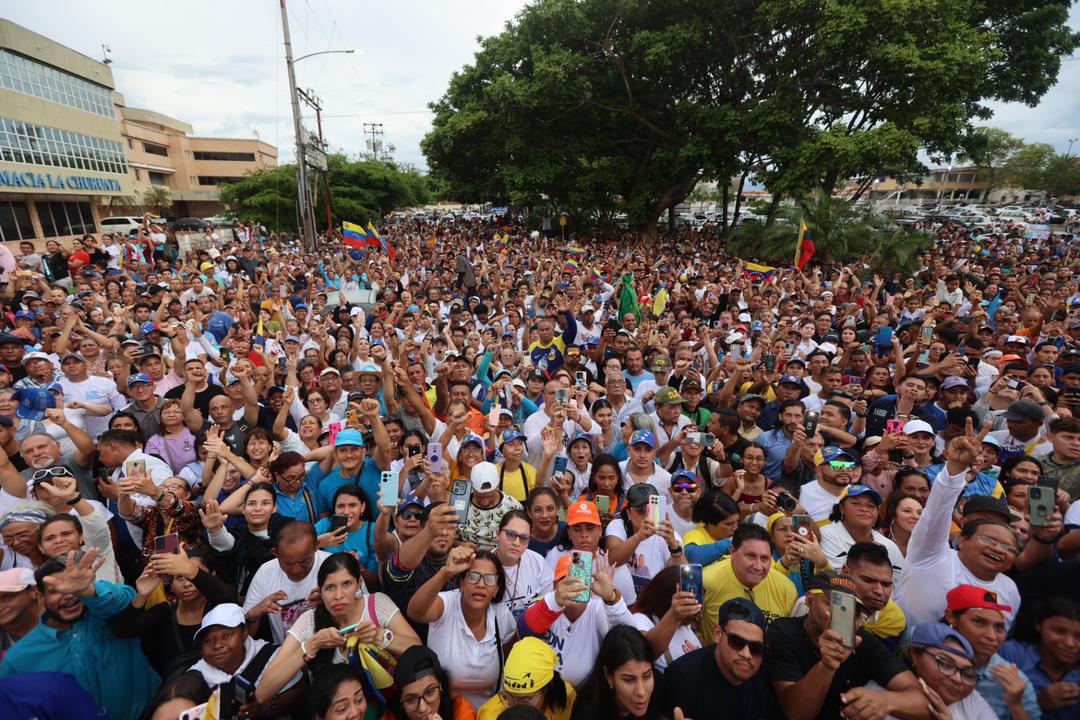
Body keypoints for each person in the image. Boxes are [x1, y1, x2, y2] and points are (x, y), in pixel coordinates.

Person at [0, 550, 160, 720]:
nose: (68, 595)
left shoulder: (107, 615)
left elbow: (126, 598)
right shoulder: (19, 658)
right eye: (55, 591)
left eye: (74, 587)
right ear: (40, 597)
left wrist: (88, 591)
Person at [895, 420, 1022, 629]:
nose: (998, 549)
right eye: (989, 539)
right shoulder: (932, 555)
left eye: (1009, 547)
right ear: (962, 539)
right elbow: (936, 513)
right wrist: (956, 468)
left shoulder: (1009, 590)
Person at [255, 552, 420, 705]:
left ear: (359, 584)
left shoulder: (376, 604)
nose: (338, 595)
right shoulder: (309, 621)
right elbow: (263, 692)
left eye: (347, 584)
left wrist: (380, 637)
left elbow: (419, 650)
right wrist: (312, 645)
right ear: (320, 592)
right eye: (330, 587)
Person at [766, 572, 929, 720]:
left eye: (852, 611)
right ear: (809, 599)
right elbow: (797, 714)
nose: (842, 617)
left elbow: (923, 702)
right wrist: (826, 666)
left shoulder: (863, 641)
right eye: (833, 604)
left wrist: (885, 701)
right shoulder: (783, 632)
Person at [406, 546, 517, 708]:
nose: (481, 584)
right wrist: (446, 572)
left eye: (489, 579)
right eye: (473, 577)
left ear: (496, 589)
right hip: (445, 713)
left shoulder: (500, 614)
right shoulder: (446, 604)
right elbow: (415, 612)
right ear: (462, 583)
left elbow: (512, 659)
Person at [519, 550, 636, 688]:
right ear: (555, 585)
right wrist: (555, 602)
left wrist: (611, 599)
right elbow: (523, 629)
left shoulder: (597, 608)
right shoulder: (546, 605)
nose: (573, 587)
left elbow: (629, 642)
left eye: (579, 580)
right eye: (566, 580)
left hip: (584, 698)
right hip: (544, 692)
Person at [664, 597, 781, 719]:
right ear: (718, 634)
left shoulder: (766, 677)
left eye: (756, 648)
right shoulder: (682, 676)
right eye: (736, 641)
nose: (746, 654)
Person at [187, 603, 305, 718]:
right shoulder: (196, 675)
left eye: (227, 636)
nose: (217, 645)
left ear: (244, 633)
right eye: (209, 640)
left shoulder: (271, 657)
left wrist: (264, 707)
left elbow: (300, 693)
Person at [943, 584, 1041, 720]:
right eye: (979, 622)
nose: (992, 636)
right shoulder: (925, 653)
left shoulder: (1017, 683)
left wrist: (1016, 705)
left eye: (999, 628)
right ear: (951, 617)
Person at [701, 523, 797, 638]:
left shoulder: (786, 588)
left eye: (765, 558)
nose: (758, 566)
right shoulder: (706, 580)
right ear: (732, 552)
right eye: (751, 556)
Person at [242, 521, 330, 644]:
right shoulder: (265, 573)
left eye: (304, 561)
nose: (296, 569)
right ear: (275, 553)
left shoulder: (333, 567)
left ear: (316, 547)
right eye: (288, 563)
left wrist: (330, 604)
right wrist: (254, 614)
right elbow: (247, 635)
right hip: (285, 657)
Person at [1000, 597, 1080, 719]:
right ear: (1038, 625)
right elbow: (989, 708)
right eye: (1059, 632)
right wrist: (1037, 702)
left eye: (1078, 637)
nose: (1070, 643)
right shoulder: (1014, 654)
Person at [898, 622, 998, 719]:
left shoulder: (970, 699)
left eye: (967, 674)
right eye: (945, 664)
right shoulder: (889, 700)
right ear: (915, 655)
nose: (958, 679)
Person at [568, 625, 665, 720]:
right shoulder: (588, 712)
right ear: (609, 676)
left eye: (647, 676)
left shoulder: (660, 690)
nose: (641, 692)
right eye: (629, 680)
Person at [818, 484, 905, 582]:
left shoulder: (889, 545)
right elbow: (837, 577)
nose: (864, 509)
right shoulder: (826, 534)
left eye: (871, 506)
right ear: (842, 508)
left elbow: (901, 583)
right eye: (856, 503)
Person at [477, 637, 576, 720]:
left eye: (525, 700)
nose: (515, 706)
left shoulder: (566, 698)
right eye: (508, 697)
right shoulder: (489, 715)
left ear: (546, 689)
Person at [627, 565, 703, 671]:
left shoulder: (685, 624)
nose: (698, 608)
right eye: (688, 601)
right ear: (669, 600)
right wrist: (673, 615)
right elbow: (642, 654)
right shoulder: (641, 620)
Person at [385, 644, 478, 720]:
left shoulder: (459, 709)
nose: (422, 708)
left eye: (429, 692)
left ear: (441, 686)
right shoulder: (390, 717)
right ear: (400, 700)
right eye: (411, 700)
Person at [495, 510, 554, 617]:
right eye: (511, 534)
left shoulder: (538, 562)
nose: (517, 543)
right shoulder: (483, 565)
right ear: (498, 534)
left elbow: (547, 605)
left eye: (524, 538)